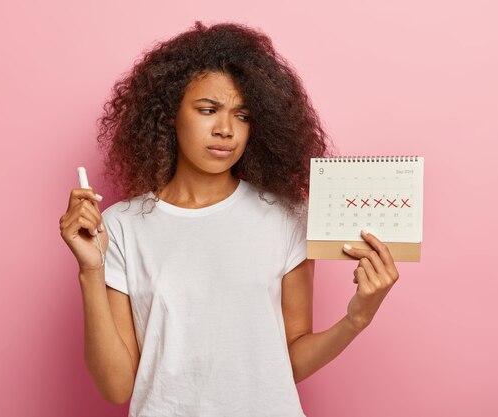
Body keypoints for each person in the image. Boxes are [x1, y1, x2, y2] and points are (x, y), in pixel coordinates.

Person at [59, 21, 400, 417]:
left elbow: (290, 360)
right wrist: (89, 270)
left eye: (242, 115)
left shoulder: (287, 218)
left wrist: (357, 318)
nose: (225, 130)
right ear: (170, 113)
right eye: (208, 110)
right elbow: (116, 387)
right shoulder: (119, 226)